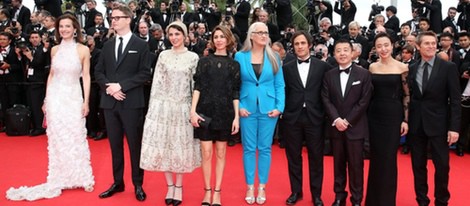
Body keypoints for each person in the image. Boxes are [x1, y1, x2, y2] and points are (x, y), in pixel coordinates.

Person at [5, 14, 94, 201]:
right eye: (61, 26)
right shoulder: (53, 50)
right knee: (58, 138)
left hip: (73, 96)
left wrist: (86, 101)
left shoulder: (83, 50)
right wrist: (46, 99)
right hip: (56, 98)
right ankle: (59, 176)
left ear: (75, 28)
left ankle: (83, 177)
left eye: (67, 26)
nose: (64, 30)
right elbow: (52, 75)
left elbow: (86, 77)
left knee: (76, 135)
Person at [139, 20, 201, 206]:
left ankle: (179, 187)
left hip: (183, 107)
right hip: (163, 106)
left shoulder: (193, 57)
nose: (174, 38)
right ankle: (169, 186)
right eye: (171, 34)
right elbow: (157, 81)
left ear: (184, 35)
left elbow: (194, 85)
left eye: (177, 34)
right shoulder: (163, 55)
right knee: (164, 145)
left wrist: (193, 110)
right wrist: (153, 108)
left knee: (179, 146)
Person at [94, 5, 151, 202]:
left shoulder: (141, 45)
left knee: (135, 145)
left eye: (118, 17)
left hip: (131, 103)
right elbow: (98, 71)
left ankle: (138, 183)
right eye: (112, 17)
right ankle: (118, 182)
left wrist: (121, 86)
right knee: (115, 145)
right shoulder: (107, 45)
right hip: (109, 103)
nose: (114, 20)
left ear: (129, 19)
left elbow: (145, 73)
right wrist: (109, 88)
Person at [407, 31, 461, 206]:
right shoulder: (413, 68)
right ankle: (422, 200)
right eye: (427, 43)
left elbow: (455, 100)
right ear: (418, 46)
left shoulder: (448, 67)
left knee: (442, 166)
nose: (431, 46)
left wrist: (454, 128)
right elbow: (413, 97)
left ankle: (441, 201)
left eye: (433, 43)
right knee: (418, 166)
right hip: (417, 125)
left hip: (439, 125)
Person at [234, 21, 285, 205]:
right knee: (248, 149)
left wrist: (279, 107)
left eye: (266, 32)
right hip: (246, 108)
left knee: (264, 149)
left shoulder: (275, 57)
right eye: (260, 32)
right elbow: (235, 84)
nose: (264, 35)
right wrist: (238, 106)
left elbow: (280, 84)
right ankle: (249, 185)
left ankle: (262, 186)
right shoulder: (240, 56)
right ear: (251, 35)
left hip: (269, 109)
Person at [190, 25, 241, 206]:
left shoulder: (234, 65)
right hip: (205, 112)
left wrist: (236, 117)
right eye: (216, 36)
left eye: (222, 37)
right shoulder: (204, 62)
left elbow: (235, 92)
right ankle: (207, 191)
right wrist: (193, 111)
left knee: (220, 153)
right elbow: (198, 87)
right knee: (206, 153)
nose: (219, 40)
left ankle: (217, 192)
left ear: (228, 40)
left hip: (225, 113)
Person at [282, 31, 331, 206]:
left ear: (309, 45)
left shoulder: (322, 66)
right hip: (292, 117)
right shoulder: (286, 67)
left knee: (316, 157)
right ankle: (296, 191)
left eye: (303, 43)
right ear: (293, 47)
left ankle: (316, 194)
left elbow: (327, 92)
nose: (300, 46)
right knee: (293, 157)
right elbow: (284, 91)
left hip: (315, 117)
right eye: (297, 44)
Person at [321, 38, 373, 206]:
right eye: (338, 50)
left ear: (353, 53)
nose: (342, 53)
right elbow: (326, 99)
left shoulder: (363, 74)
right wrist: (336, 119)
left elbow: (364, 101)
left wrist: (348, 120)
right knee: (338, 165)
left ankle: (357, 199)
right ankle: (339, 196)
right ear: (333, 54)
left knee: (356, 166)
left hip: (355, 128)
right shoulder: (329, 75)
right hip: (336, 128)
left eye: (345, 50)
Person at [365, 32, 409, 206]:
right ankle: (373, 200)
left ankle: (387, 201)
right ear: (375, 49)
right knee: (375, 158)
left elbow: (406, 95)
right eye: (379, 46)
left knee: (389, 159)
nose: (383, 49)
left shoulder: (402, 67)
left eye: (386, 45)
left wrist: (405, 120)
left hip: (393, 117)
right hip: (374, 116)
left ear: (392, 45)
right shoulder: (372, 68)